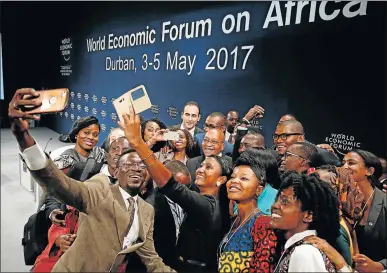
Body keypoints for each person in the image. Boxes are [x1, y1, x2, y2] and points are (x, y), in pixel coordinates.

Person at [9, 88, 174, 272]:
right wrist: (24, 138)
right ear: (116, 169)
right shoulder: (99, 186)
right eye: (124, 161)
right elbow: (58, 185)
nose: (135, 168)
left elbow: (151, 259)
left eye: (141, 165)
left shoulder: (146, 210)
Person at [118, 104, 233, 272]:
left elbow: (172, 186)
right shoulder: (202, 195)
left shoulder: (209, 205)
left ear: (221, 179)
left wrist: (138, 143)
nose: (200, 169)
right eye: (201, 166)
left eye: (208, 168)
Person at [270, 171, 341, 272]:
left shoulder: (304, 253)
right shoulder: (298, 248)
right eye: (277, 199)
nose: (275, 205)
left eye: (285, 201)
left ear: (308, 216)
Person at [218, 149, 275, 272]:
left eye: (244, 179)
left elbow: (264, 269)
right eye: (232, 177)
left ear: (259, 189)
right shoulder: (234, 220)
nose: (234, 181)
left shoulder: (264, 224)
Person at [342, 150, 386, 272]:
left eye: (351, 163)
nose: (344, 167)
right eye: (343, 162)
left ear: (369, 171)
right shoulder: (341, 199)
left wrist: (380, 266)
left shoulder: (384, 203)